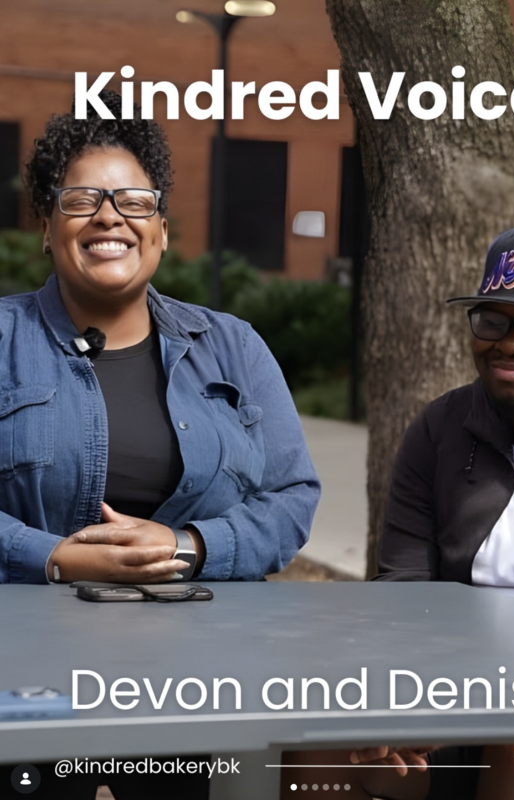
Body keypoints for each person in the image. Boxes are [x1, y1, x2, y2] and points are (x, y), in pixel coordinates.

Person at [0, 91, 319, 798]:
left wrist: (191, 546)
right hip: (24, 661)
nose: (109, 215)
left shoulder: (232, 345)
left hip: (202, 662)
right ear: (47, 228)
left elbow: (292, 496)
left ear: (163, 232)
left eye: (134, 202)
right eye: (82, 199)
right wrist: (49, 556)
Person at [282, 222, 514, 799]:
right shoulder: (442, 428)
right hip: (452, 691)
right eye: (492, 319)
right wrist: (403, 698)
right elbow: (404, 590)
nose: (509, 342)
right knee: (320, 742)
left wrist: (481, 701)